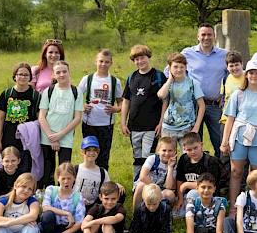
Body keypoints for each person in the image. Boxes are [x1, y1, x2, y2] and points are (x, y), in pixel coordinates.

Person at [221, 60, 257, 204]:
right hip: (239, 137)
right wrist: (224, 141)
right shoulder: (238, 94)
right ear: (246, 74)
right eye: (251, 72)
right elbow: (230, 119)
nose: (254, 76)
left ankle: (256, 205)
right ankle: (234, 206)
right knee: (236, 172)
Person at [181, 23, 229, 157]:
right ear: (198, 37)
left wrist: (224, 95)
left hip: (215, 105)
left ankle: (221, 174)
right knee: (193, 142)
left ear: (214, 36)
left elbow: (231, 76)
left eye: (209, 34)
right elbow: (171, 71)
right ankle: (196, 174)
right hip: (193, 105)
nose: (206, 37)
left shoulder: (223, 55)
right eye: (203, 34)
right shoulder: (188, 53)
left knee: (220, 142)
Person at [121, 44, 166, 179]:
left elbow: (165, 101)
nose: (140, 61)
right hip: (134, 125)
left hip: (151, 126)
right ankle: (137, 183)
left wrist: (161, 122)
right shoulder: (132, 77)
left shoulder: (158, 76)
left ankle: (149, 185)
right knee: (137, 156)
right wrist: (123, 122)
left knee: (148, 157)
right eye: (136, 59)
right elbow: (126, 101)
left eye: (142, 58)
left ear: (148, 57)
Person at [38, 60, 83, 188]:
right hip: (47, 137)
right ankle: (47, 192)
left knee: (65, 169)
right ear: (54, 75)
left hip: (65, 137)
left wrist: (60, 135)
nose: (62, 74)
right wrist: (51, 136)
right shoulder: (49, 91)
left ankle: (63, 192)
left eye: (64, 71)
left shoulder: (76, 92)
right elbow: (42, 116)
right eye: (58, 72)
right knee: (48, 168)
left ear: (69, 72)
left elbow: (77, 118)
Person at [78, 49, 123, 170]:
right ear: (95, 62)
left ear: (111, 63)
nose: (103, 64)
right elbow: (75, 96)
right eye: (101, 61)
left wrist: (116, 109)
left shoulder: (115, 81)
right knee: (89, 154)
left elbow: (121, 102)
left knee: (103, 156)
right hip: (89, 123)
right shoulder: (88, 79)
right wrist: (82, 106)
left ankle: (103, 184)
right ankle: (88, 178)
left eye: (107, 62)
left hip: (106, 125)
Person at [0, 62, 40, 173]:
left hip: (26, 139)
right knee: (8, 167)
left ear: (30, 77)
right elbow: (0, 119)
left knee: (25, 168)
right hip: (8, 137)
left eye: (26, 75)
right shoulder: (6, 94)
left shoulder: (35, 95)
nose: (23, 77)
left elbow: (40, 119)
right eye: (20, 74)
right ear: (15, 76)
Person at [38, 163, 85, 233]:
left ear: (74, 178)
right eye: (63, 178)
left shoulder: (78, 196)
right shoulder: (51, 190)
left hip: (67, 229)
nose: (66, 182)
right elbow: (45, 207)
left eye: (69, 178)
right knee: (47, 215)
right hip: (50, 227)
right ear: (58, 178)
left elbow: (79, 223)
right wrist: (67, 213)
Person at [158, 53, 205, 143]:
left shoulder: (192, 83)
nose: (178, 70)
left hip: (186, 127)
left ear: (186, 67)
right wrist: (170, 80)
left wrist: (196, 126)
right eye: (175, 67)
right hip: (168, 127)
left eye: (181, 67)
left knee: (188, 154)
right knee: (168, 155)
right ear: (169, 68)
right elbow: (161, 95)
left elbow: (202, 106)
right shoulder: (169, 83)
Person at [175, 133, 229, 209]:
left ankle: (199, 213)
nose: (193, 152)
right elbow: (179, 180)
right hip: (187, 195)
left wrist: (186, 184)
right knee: (176, 212)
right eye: (189, 150)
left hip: (208, 194)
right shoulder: (183, 159)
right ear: (184, 148)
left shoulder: (210, 162)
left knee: (193, 193)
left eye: (195, 148)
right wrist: (180, 199)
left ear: (201, 145)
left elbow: (210, 185)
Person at [133, 136, 177, 210]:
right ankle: (136, 213)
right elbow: (143, 177)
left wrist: (170, 168)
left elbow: (169, 187)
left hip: (160, 188)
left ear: (175, 152)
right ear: (158, 151)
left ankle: (166, 213)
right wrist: (156, 190)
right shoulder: (152, 159)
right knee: (141, 185)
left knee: (170, 195)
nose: (167, 153)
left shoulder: (174, 165)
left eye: (170, 150)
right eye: (164, 150)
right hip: (146, 186)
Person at [74, 136, 113, 207]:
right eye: (88, 150)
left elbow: (108, 189)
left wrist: (117, 185)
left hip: (94, 207)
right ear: (82, 152)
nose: (91, 153)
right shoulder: (76, 169)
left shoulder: (102, 172)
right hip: (76, 205)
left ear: (98, 152)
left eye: (95, 150)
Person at [220, 52, 245, 127]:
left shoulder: (248, 77)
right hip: (226, 120)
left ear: (242, 64)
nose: (234, 68)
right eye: (231, 66)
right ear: (227, 67)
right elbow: (224, 97)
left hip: (242, 120)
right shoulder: (225, 79)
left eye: (237, 65)